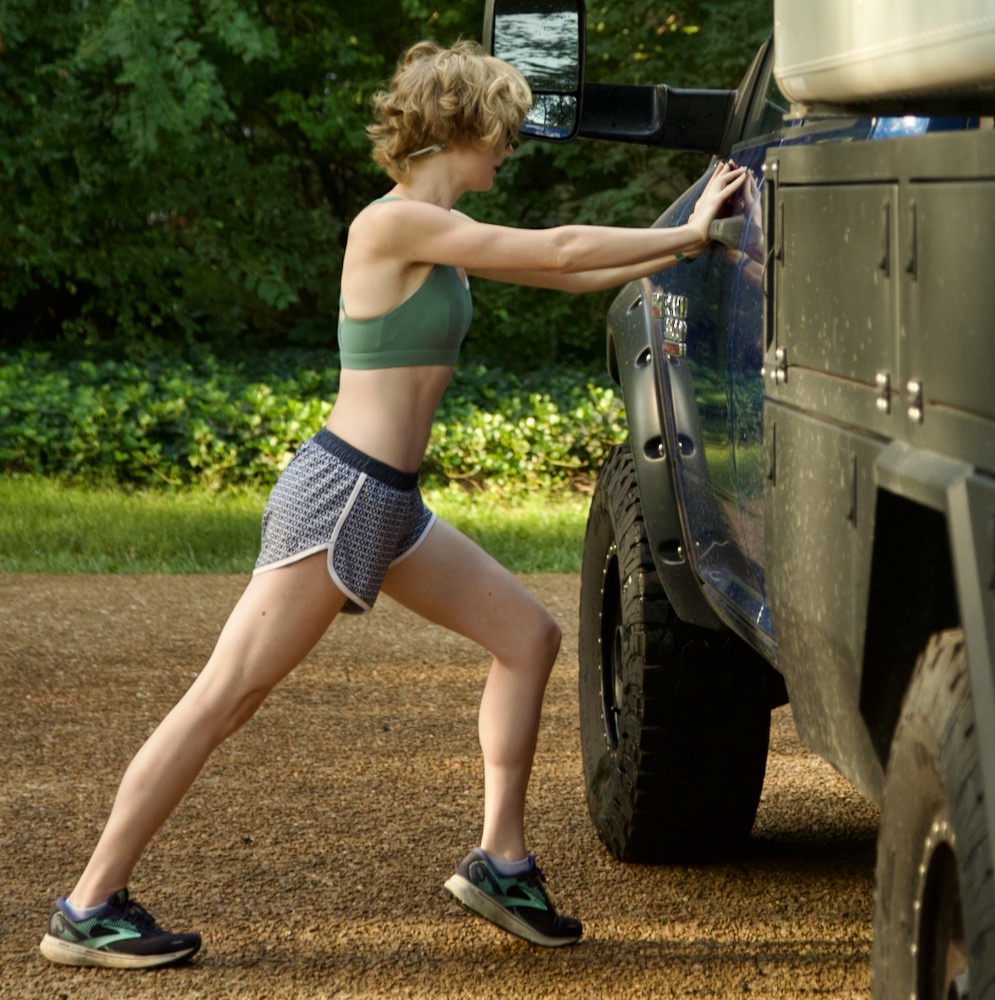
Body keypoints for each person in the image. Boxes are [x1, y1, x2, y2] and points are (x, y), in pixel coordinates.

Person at [39, 38, 747, 970]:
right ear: (462, 125)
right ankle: (88, 909)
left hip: (391, 505)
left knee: (527, 638)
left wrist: (682, 229)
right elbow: (562, 244)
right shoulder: (391, 224)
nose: (511, 147)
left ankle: (501, 860)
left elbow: (567, 270)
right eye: (504, 129)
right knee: (224, 699)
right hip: (341, 495)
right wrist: (692, 233)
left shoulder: (439, 235)